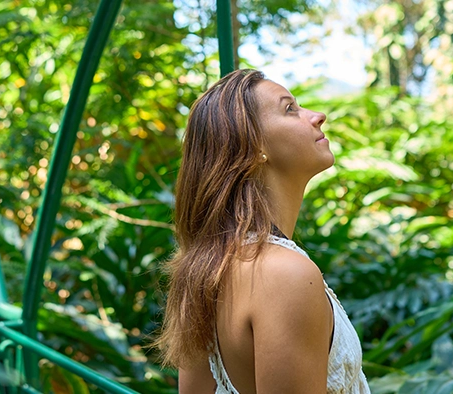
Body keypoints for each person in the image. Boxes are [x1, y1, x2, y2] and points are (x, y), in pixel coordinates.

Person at [155, 69, 370, 393]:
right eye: (290, 109)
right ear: (254, 148)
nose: (317, 116)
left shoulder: (206, 271)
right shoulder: (283, 274)